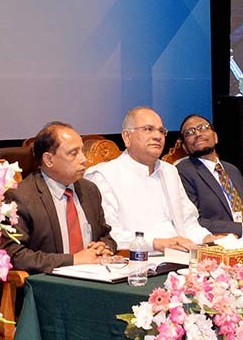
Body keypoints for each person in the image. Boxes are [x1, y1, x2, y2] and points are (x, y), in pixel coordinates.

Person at [85, 107, 214, 252]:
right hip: (138, 263)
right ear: (127, 137)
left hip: (182, 259)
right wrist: (155, 243)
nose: (157, 136)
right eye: (148, 129)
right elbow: (109, 235)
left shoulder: (170, 171)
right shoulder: (103, 175)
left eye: (161, 131)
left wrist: (209, 239)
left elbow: (188, 222)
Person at [1, 122, 116, 274]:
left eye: (82, 151)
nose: (83, 159)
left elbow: (106, 235)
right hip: (50, 285)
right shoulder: (21, 197)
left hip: (96, 279)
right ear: (49, 160)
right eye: (74, 153)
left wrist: (103, 247)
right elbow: (15, 255)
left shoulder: (90, 190)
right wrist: (73, 260)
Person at [175, 114, 243, 238]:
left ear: (215, 137)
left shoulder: (232, 169)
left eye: (203, 128)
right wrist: (242, 229)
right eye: (189, 132)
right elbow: (194, 221)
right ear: (185, 147)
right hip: (221, 242)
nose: (198, 134)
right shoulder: (183, 171)